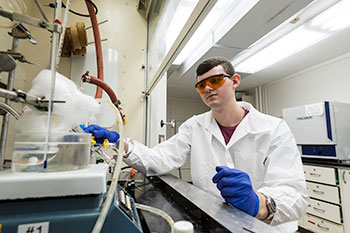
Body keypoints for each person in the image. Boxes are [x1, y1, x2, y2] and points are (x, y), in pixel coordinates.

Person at [85, 56, 308, 232]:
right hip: (217, 222)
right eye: (202, 85)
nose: (208, 88)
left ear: (235, 81)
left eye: (215, 80)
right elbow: (160, 159)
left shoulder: (274, 129)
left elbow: (294, 194)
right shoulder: (195, 126)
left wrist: (257, 203)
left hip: (266, 228)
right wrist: (119, 141)